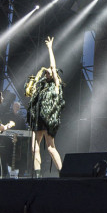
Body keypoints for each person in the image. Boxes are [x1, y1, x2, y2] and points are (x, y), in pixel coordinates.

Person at [26, 37, 65, 177]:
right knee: (33, 147)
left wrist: (50, 48)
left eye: (48, 72)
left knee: (50, 147)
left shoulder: (56, 85)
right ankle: (37, 175)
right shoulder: (41, 87)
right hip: (38, 119)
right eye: (46, 72)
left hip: (49, 119)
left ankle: (62, 172)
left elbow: (53, 67)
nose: (47, 73)